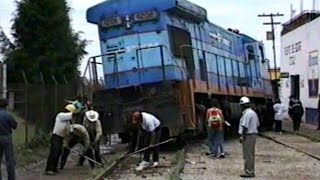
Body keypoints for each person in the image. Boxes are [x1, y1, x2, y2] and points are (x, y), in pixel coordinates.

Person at [45, 104, 77, 175]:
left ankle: (54, 168)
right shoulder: (61, 115)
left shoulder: (67, 122)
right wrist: (75, 113)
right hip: (56, 136)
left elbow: (69, 131)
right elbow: (70, 115)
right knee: (54, 152)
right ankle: (49, 169)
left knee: (59, 152)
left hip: (61, 138)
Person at [238, 96, 259, 178]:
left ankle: (248, 171)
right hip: (253, 134)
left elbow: (245, 126)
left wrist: (242, 136)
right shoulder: (253, 113)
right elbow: (258, 124)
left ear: (243, 105)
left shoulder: (247, 114)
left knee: (247, 155)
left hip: (248, 135)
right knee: (251, 154)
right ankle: (250, 170)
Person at [0, 98, 17, 180]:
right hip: (6, 137)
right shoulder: (8, 115)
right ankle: (11, 178)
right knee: (9, 160)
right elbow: (14, 126)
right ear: (6, 105)